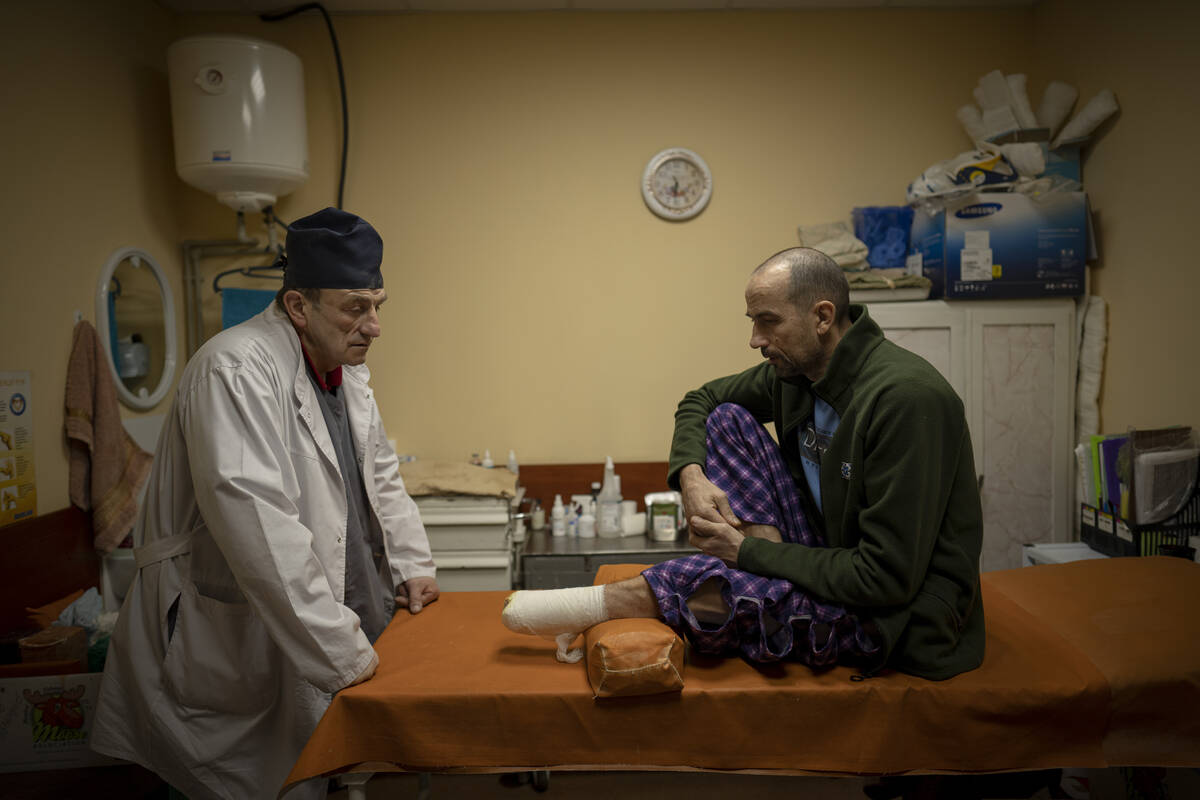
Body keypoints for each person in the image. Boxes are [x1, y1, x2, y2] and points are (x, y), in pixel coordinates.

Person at [502, 246, 984, 680]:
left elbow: (882, 580)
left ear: (822, 316)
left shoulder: (906, 399)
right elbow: (701, 399)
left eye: (768, 321)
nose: (755, 339)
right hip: (827, 552)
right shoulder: (798, 372)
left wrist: (746, 553)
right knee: (726, 417)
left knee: (700, 582)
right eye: (752, 321)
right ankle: (761, 564)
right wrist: (690, 477)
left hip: (894, 613)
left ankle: (608, 603)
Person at [92, 208, 440, 800]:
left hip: (321, 615)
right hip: (230, 634)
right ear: (299, 307)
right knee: (246, 783)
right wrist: (347, 657)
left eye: (379, 304)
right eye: (356, 306)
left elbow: (379, 476)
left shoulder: (343, 372)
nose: (375, 325)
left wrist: (412, 565)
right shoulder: (235, 369)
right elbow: (259, 528)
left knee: (321, 769)